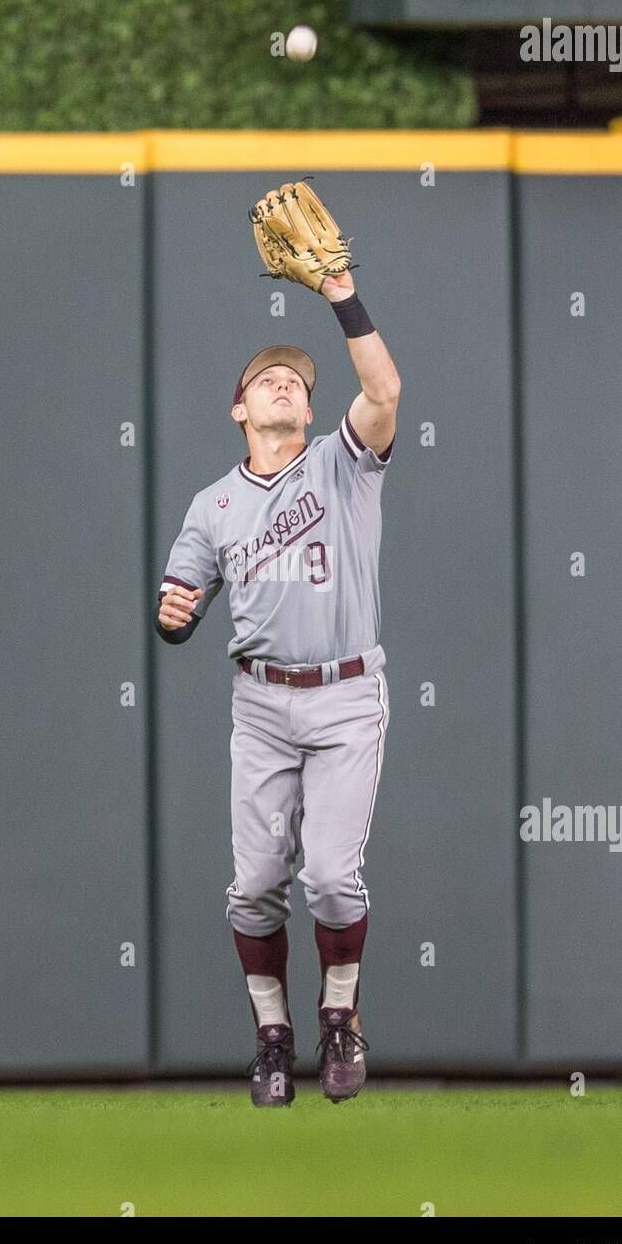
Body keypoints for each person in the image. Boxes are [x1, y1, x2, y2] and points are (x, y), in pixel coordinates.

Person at [155, 264, 400, 1106]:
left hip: (343, 695)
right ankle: (271, 1035)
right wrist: (175, 616)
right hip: (259, 704)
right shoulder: (212, 506)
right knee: (256, 884)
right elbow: (176, 605)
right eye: (267, 379)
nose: (283, 384)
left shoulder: (344, 464)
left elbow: (384, 386)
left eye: (295, 379)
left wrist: (340, 295)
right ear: (240, 410)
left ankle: (338, 1017)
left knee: (331, 875)